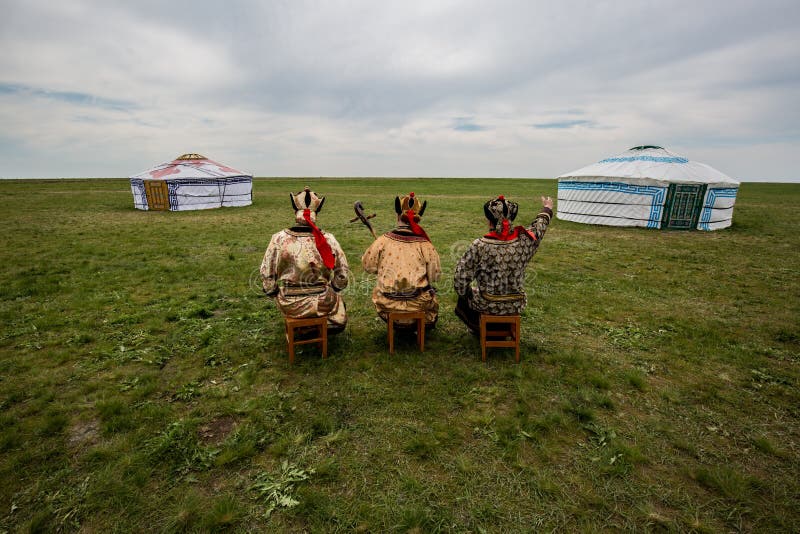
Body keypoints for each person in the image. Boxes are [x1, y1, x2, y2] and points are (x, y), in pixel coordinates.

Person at [453, 195, 553, 333]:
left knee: (463, 298)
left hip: (487, 305)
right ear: (511, 218)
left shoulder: (479, 246)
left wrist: (468, 294)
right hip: (515, 305)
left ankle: (480, 328)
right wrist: (547, 208)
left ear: (489, 221)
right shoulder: (524, 242)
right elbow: (539, 229)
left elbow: (460, 280)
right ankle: (504, 330)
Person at [260, 186, 349, 334]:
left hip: (290, 303)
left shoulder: (279, 239)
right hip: (323, 302)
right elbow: (343, 274)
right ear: (317, 212)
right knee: (337, 302)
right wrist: (333, 288)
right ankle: (322, 325)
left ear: (295, 210)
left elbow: (267, 273)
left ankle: (303, 328)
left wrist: (273, 291)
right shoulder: (328, 239)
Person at [362, 192, 441, 328]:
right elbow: (435, 276)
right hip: (418, 305)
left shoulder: (383, 241)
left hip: (387, 305)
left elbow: (368, 267)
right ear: (419, 218)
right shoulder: (425, 245)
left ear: (397, 214)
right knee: (431, 293)